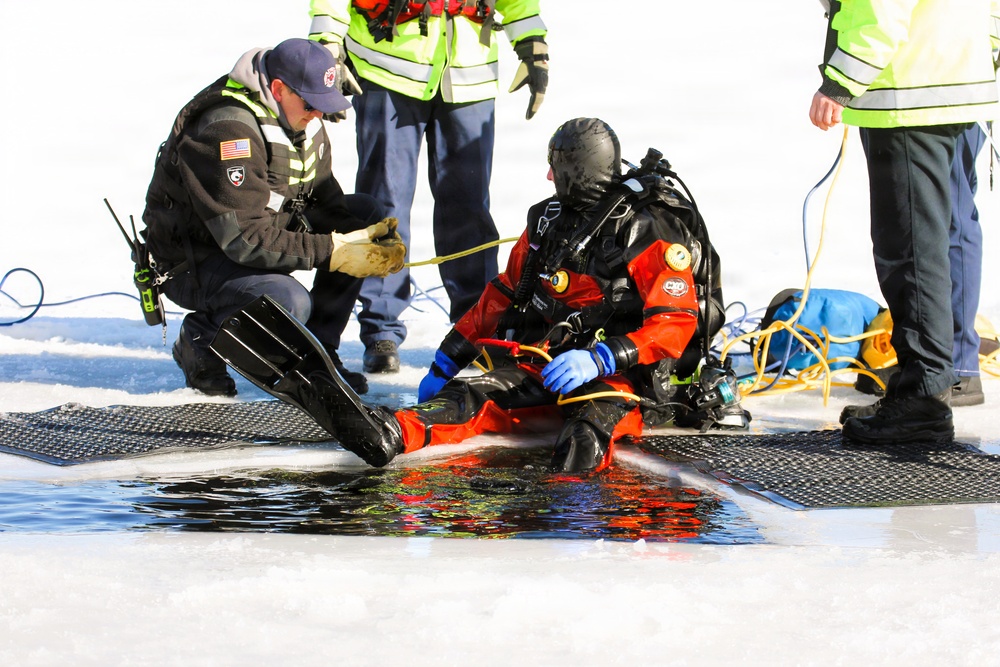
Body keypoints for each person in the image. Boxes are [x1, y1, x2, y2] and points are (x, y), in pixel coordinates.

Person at [211, 118, 748, 474]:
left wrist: (604, 357)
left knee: (587, 433)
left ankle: (574, 529)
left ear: (574, 170)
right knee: (470, 396)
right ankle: (390, 433)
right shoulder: (548, 221)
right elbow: (503, 293)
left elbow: (676, 321)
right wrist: (448, 357)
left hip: (626, 380)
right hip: (549, 362)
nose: (547, 174)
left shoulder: (648, 229)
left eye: (556, 166)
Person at [142, 38, 406, 397]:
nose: (318, 114)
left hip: (254, 233)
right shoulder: (227, 130)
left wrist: (366, 242)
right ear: (279, 89)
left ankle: (319, 352)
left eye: (324, 105)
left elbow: (324, 200)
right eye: (311, 103)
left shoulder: (303, 118)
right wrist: (334, 250)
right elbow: (243, 238)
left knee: (363, 218)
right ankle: (202, 338)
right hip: (197, 260)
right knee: (288, 299)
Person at [307, 0, 549, 375]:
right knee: (384, 206)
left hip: (470, 78)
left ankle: (477, 326)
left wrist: (532, 43)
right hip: (387, 69)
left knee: (469, 209)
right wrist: (327, 47)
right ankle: (381, 330)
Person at [810, 0, 999, 444]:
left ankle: (923, 402)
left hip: (908, 93)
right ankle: (929, 383)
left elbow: (879, 9)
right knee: (937, 240)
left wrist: (840, 82)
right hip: (951, 85)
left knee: (911, 253)